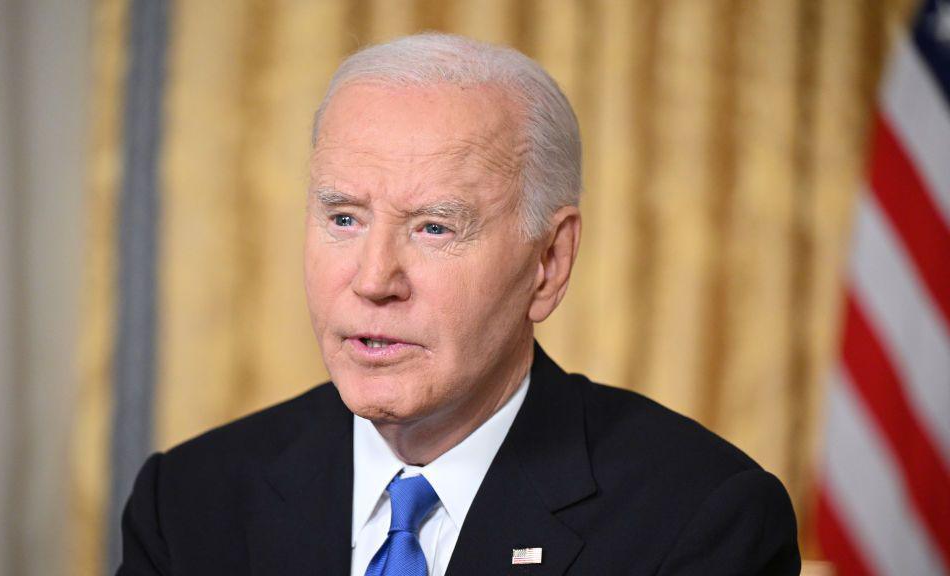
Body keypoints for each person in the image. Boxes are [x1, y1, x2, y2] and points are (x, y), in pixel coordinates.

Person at [118, 33, 800, 576]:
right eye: (344, 218)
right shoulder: (186, 502)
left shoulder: (699, 520)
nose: (374, 279)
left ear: (548, 262)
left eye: (434, 227)